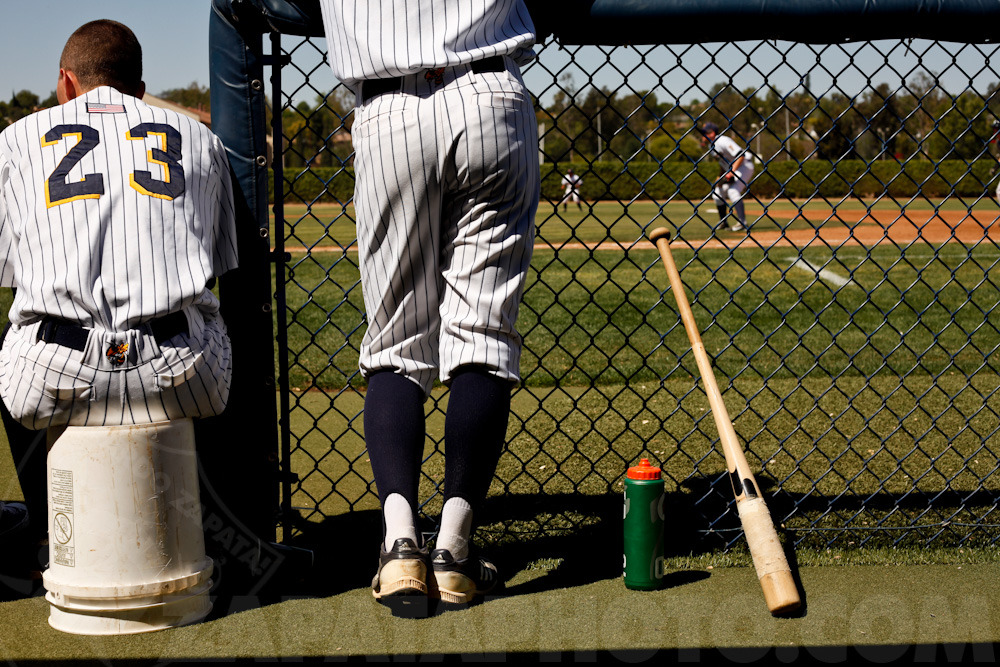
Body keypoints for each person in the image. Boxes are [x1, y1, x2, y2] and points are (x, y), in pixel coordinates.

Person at [319, 0, 540, 610]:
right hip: (489, 93)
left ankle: (399, 549)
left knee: (396, 341)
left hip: (388, 110)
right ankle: (454, 550)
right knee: (483, 333)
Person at [0, 20, 238, 549]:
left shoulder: (15, 140)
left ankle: (49, 534)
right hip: (181, 373)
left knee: (16, 337)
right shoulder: (200, 138)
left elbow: (8, 274)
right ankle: (227, 533)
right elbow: (220, 264)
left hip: (51, 376)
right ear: (138, 85)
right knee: (213, 315)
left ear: (66, 82)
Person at [698, 122, 754, 232]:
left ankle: (742, 223)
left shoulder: (723, 140)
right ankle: (723, 222)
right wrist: (720, 176)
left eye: (704, 133)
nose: (702, 136)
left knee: (733, 191)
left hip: (744, 166)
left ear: (712, 133)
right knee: (717, 192)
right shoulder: (711, 146)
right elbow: (723, 163)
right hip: (732, 169)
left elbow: (740, 155)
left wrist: (732, 172)